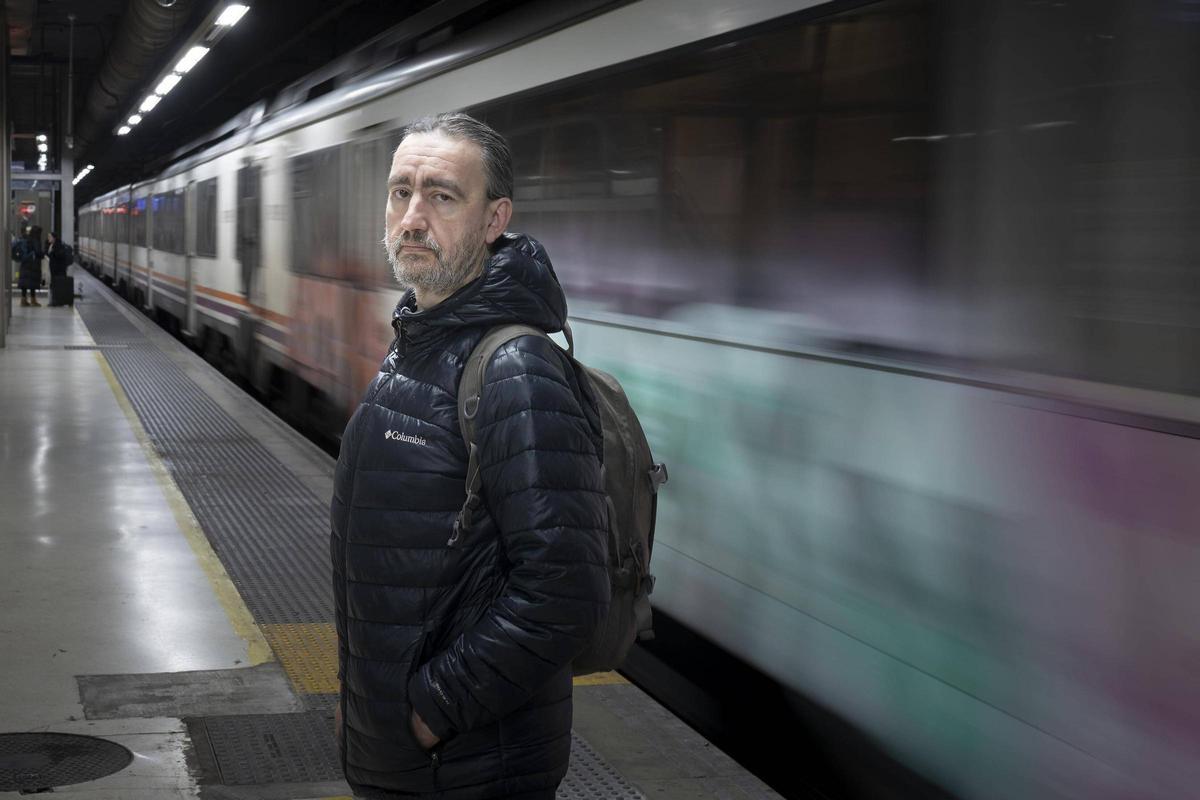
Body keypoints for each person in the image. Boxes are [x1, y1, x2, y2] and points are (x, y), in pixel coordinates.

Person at [329, 113, 609, 800]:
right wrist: (367, 701)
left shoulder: (515, 369)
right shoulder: (419, 342)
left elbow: (567, 589)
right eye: (401, 193)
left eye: (442, 196)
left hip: (471, 764)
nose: (412, 218)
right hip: (408, 756)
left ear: (493, 220)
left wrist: (434, 710)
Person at [15, 225, 44, 307]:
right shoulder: (35, 240)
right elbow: (38, 252)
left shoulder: (27, 239)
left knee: (25, 283)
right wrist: (43, 253)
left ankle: (23, 300)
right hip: (33, 265)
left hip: (25, 264)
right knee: (32, 283)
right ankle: (33, 300)